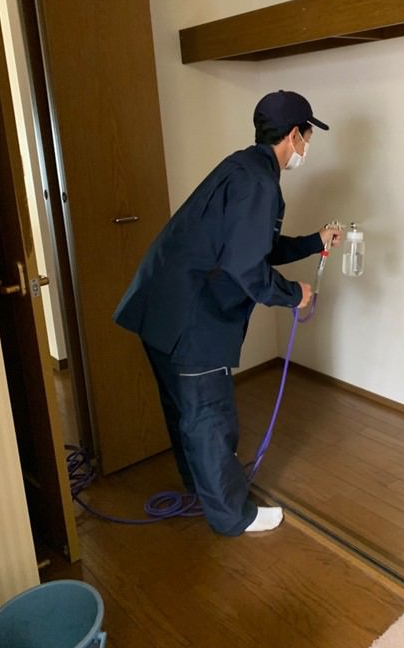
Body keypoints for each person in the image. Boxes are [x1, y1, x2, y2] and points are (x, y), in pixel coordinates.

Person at [113, 90, 342, 536]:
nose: (307, 145)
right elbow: (245, 265)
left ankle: (203, 489)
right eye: (308, 135)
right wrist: (293, 294)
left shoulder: (242, 167)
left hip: (160, 307)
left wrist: (314, 242)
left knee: (185, 411)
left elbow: (253, 246)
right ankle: (232, 515)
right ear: (294, 135)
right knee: (209, 416)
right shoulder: (259, 184)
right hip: (192, 318)